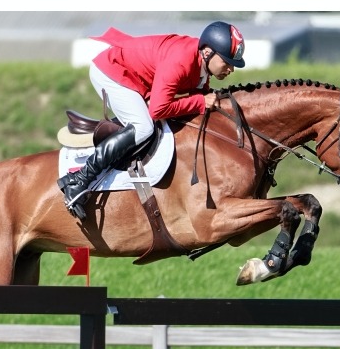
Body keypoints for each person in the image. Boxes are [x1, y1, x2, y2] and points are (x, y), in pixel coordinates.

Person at [58, 21, 246, 221]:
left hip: (138, 77)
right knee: (144, 127)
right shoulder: (181, 61)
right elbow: (158, 109)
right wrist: (200, 101)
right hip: (111, 72)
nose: (231, 69)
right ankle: (79, 180)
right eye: (227, 62)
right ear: (207, 52)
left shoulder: (200, 64)